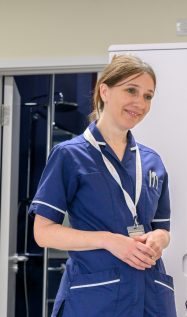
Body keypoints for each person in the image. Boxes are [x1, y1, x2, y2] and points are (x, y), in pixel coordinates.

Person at [29, 55, 176, 317]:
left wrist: (159, 240)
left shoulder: (152, 162)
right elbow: (43, 233)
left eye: (148, 96)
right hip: (95, 298)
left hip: (149, 297)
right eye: (131, 90)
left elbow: (163, 229)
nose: (140, 103)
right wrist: (109, 241)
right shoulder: (69, 156)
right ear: (104, 91)